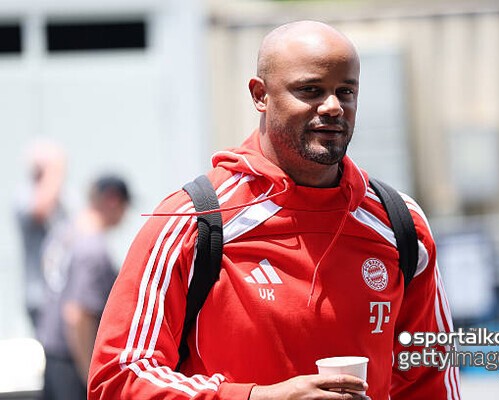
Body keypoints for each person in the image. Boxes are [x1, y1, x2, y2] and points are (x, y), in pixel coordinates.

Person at [89, 21, 461, 400]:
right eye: (310, 90)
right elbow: (117, 379)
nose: (333, 106)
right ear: (260, 95)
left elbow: (431, 382)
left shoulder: (400, 224)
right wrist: (258, 397)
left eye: (346, 91)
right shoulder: (192, 221)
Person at [38, 175, 131, 400]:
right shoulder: (93, 249)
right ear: (112, 201)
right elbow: (77, 315)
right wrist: (91, 375)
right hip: (74, 358)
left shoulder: (64, 233)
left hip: (52, 351)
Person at [14, 139, 68, 331]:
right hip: (41, 295)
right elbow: (40, 209)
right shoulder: (25, 195)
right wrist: (54, 170)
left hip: (64, 293)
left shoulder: (64, 196)